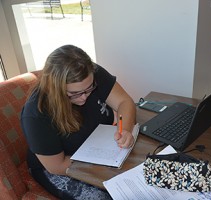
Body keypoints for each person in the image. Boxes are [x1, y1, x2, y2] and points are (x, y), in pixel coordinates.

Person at [21, 45, 136, 199]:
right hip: (59, 166)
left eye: (90, 88)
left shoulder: (91, 73)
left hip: (99, 150)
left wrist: (126, 130)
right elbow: (57, 166)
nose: (84, 97)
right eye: (74, 94)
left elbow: (124, 102)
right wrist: (103, 164)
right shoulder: (36, 114)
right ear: (55, 89)